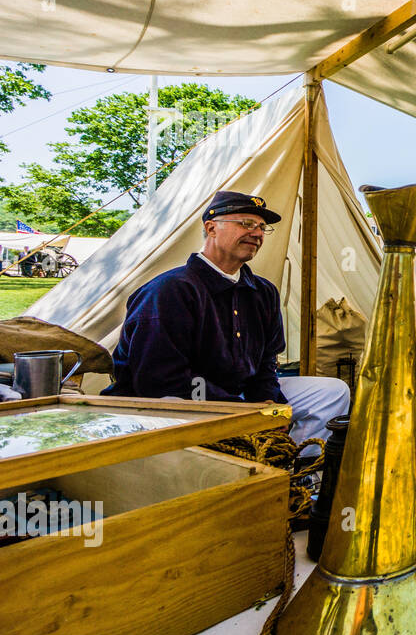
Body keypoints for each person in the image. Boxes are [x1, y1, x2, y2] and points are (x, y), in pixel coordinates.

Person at [104, 191, 350, 455]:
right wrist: (246, 412)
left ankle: (293, 475)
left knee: (331, 392)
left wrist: (270, 405)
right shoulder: (170, 290)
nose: (257, 233)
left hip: (240, 398)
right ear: (211, 228)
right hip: (172, 401)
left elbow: (267, 361)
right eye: (246, 224)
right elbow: (160, 380)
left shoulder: (263, 292)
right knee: (174, 402)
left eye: (262, 227)